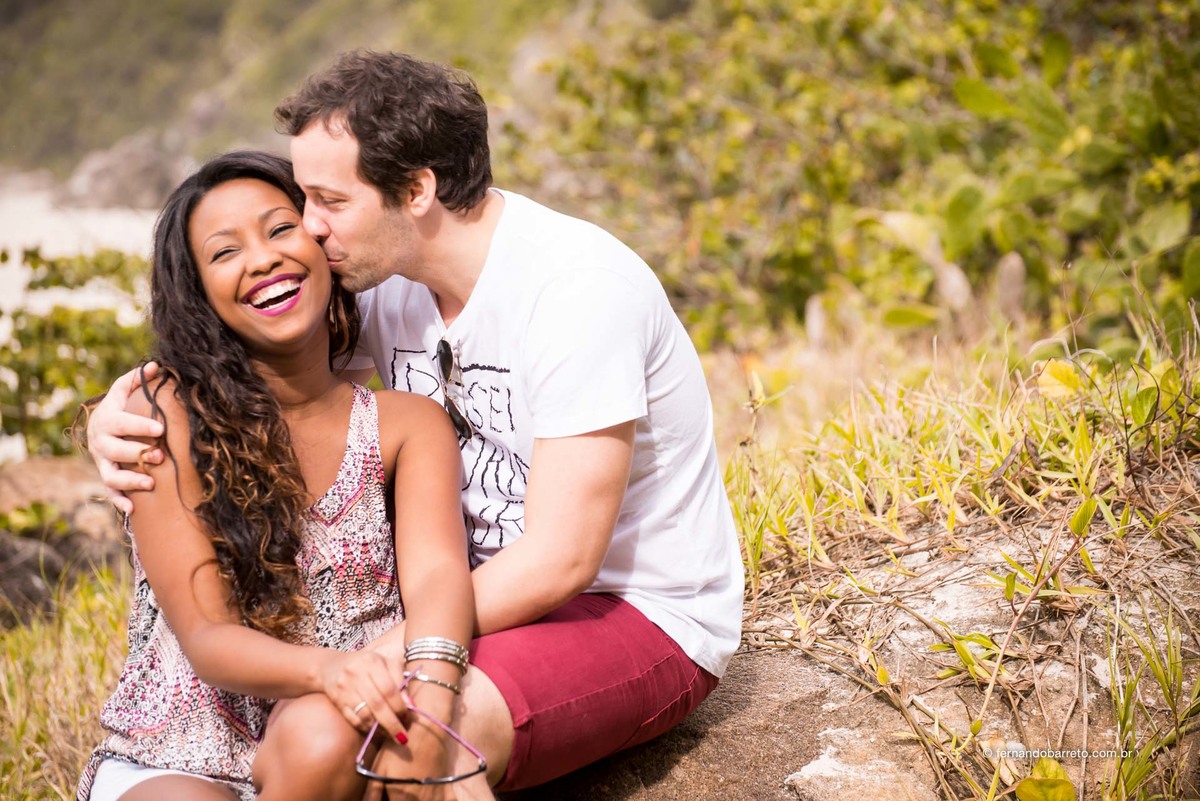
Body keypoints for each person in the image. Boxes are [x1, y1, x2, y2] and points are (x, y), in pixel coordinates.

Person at [87, 51, 744, 798]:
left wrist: (396, 654)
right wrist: (118, 409)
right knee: (337, 725)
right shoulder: (388, 284)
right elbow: (249, 352)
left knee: (388, 738)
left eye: (328, 201)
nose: (310, 227)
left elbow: (561, 562)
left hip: (628, 610)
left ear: (417, 189)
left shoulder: (576, 292)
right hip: (470, 606)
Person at [76, 151, 475, 801]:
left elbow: (437, 575)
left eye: (281, 229)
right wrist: (331, 670)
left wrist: (432, 694)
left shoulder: (407, 426)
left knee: (322, 736)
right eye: (225, 252)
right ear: (198, 294)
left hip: (336, 742)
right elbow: (207, 637)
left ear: (324, 245)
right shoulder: (165, 415)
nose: (263, 259)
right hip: (175, 754)